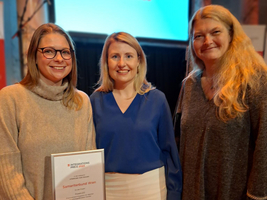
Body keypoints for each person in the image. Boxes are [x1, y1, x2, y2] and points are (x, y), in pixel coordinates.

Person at [174, 4, 267, 200]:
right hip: (190, 193)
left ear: (232, 35)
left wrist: (256, 195)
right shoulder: (189, 84)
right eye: (198, 36)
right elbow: (178, 139)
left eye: (215, 32)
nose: (207, 41)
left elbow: (264, 144)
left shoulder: (255, 80)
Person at [0, 23, 96, 200]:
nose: (59, 59)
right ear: (34, 57)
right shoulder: (10, 98)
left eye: (65, 52)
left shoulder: (82, 101)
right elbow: (6, 170)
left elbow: (87, 166)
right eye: (49, 51)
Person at [90, 32, 182, 200]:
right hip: (108, 190)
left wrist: (174, 193)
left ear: (139, 61)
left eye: (129, 56)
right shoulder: (95, 101)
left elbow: (170, 152)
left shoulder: (157, 99)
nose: (121, 63)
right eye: (115, 56)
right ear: (106, 62)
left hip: (151, 190)